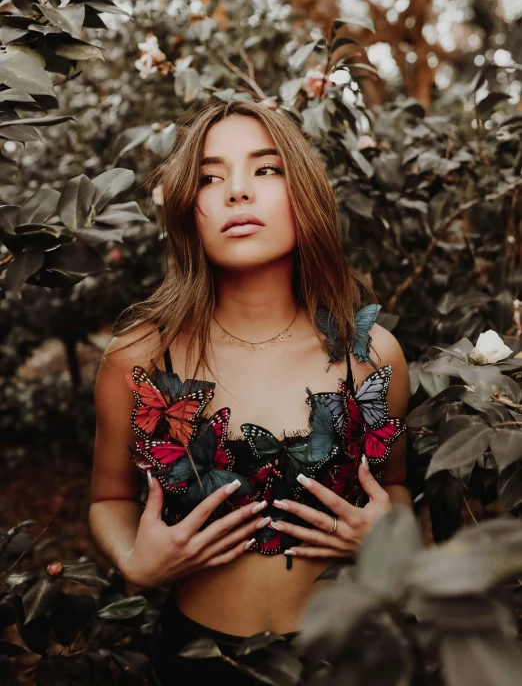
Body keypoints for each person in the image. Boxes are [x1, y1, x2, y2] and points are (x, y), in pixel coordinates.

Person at [89, 100, 411, 684]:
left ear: (304, 194)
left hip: (351, 659)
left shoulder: (372, 355)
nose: (237, 191)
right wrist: (136, 564)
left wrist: (389, 538)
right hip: (194, 663)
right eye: (210, 178)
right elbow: (107, 498)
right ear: (190, 209)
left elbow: (396, 489)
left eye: (266, 169)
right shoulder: (140, 358)